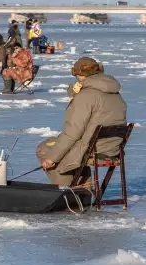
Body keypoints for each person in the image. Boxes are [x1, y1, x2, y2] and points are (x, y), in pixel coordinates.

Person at [36, 56, 127, 186]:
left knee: (44, 149)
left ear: (79, 74)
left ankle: (69, 194)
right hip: (112, 148)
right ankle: (85, 191)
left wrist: (52, 158)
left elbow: (73, 132)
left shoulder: (86, 95)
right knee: (67, 148)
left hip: (92, 148)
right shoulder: (115, 93)